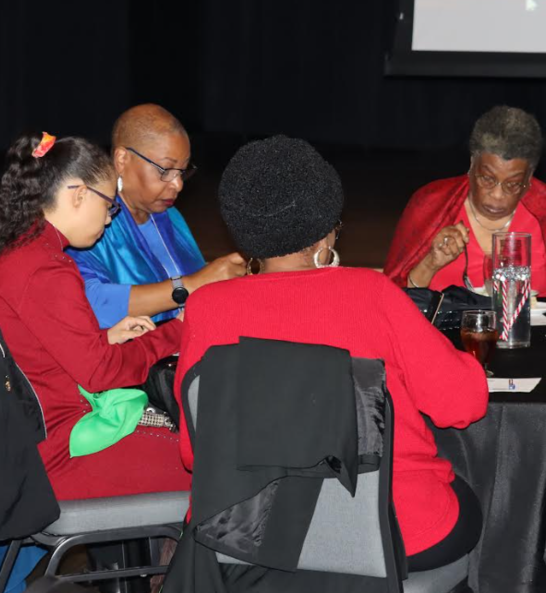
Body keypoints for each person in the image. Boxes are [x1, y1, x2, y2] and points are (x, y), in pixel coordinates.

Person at [174, 136, 488, 576]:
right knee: (474, 492)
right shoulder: (371, 293)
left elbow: (195, 452)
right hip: (393, 535)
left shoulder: (206, 308)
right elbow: (463, 404)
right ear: (324, 231)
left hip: (246, 542)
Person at [0, 132, 190, 499]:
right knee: (207, 466)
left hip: (27, 438)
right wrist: (179, 331)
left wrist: (104, 338)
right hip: (55, 455)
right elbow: (100, 373)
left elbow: (41, 351)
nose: (108, 220)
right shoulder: (46, 268)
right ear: (78, 195)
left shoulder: (20, 248)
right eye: (108, 206)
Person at [68, 104, 245, 329]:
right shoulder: (91, 220)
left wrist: (222, 275)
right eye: (165, 170)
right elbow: (89, 303)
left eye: (182, 171)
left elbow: (181, 275)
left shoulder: (169, 216)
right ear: (122, 160)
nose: (178, 184)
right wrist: (191, 285)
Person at [383, 105, 546, 297]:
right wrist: (430, 263)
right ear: (472, 164)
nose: (497, 195)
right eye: (487, 179)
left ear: (529, 177)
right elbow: (391, 302)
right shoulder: (431, 204)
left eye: (513, 184)